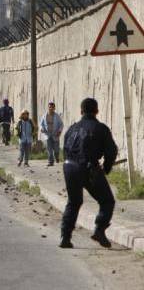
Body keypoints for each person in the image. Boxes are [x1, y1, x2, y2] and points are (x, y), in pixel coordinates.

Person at [60, 98, 118, 249]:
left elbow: (65, 149)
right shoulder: (100, 128)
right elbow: (111, 151)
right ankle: (99, 229)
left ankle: (65, 238)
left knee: (74, 202)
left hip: (69, 166)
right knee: (107, 201)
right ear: (97, 111)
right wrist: (106, 168)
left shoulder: (72, 128)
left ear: (81, 111)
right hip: (88, 168)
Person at [40, 102, 64, 166]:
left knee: (56, 149)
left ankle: (57, 157)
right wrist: (41, 128)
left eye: (52, 107)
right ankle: (50, 162)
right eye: (49, 107)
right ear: (48, 107)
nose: (51, 108)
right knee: (49, 149)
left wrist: (59, 131)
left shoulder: (57, 116)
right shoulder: (44, 116)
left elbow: (61, 124)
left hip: (55, 134)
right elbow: (41, 124)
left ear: (54, 108)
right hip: (47, 135)